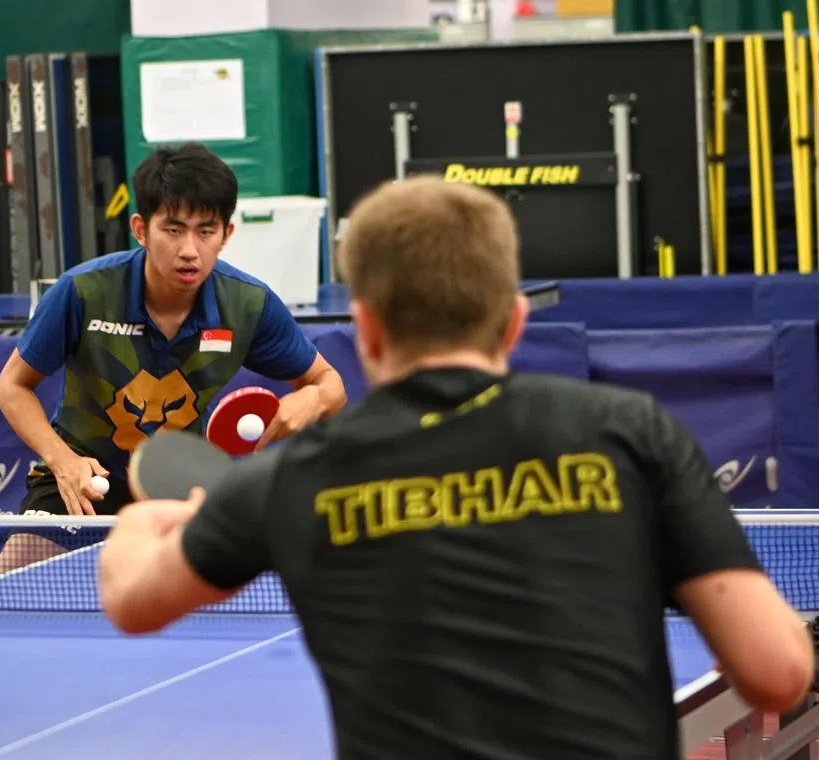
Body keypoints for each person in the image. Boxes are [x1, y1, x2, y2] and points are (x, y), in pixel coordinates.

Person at [97, 175, 814, 758]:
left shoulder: (294, 478)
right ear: (514, 321)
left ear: (367, 329)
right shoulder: (628, 431)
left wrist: (151, 519)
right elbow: (778, 672)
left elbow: (132, 600)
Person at [0, 142, 347, 574]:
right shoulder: (84, 292)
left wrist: (310, 399)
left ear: (226, 235)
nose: (190, 250)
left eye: (206, 230)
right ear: (141, 229)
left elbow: (330, 385)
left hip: (180, 485)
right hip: (82, 482)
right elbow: (12, 386)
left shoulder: (248, 305)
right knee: (16, 577)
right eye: (173, 229)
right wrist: (62, 461)